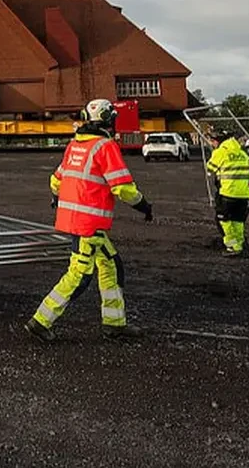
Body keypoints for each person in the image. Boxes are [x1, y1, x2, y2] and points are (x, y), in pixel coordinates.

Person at [25, 99, 153, 342]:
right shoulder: (105, 146)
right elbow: (122, 188)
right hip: (88, 224)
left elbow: (56, 180)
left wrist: (56, 197)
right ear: (107, 119)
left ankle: (114, 323)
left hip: (78, 221)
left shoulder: (75, 145)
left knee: (111, 265)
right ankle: (41, 321)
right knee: (80, 274)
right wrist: (144, 205)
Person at [206, 128, 249, 256]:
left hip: (228, 192)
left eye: (212, 141)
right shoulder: (242, 153)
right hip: (243, 194)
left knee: (224, 220)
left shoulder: (221, 152)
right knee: (238, 221)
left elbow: (210, 169)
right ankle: (240, 242)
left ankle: (232, 246)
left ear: (218, 141)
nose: (212, 143)